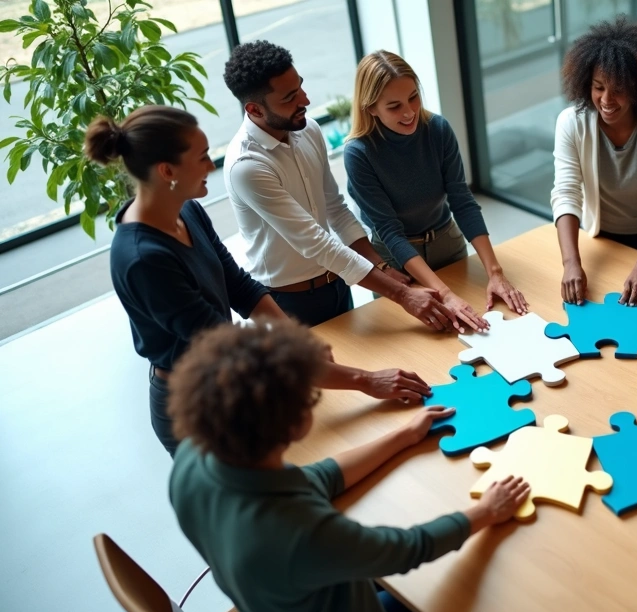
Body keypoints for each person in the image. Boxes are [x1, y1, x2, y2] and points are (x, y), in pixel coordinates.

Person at [88, 105, 433, 457]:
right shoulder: (144, 259)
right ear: (167, 171)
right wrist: (366, 380)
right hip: (192, 407)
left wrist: (297, 338)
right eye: (203, 158)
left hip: (223, 380)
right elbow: (224, 344)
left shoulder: (187, 211)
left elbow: (239, 285)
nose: (212, 166)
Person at [167, 320, 530, 612]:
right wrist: (485, 510)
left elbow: (317, 478)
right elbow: (408, 549)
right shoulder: (297, 533)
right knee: (426, 592)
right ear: (297, 425)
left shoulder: (191, 460)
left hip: (275, 609)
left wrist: (404, 436)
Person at [222, 40, 461, 330]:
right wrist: (403, 295)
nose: (306, 101)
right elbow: (315, 242)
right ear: (255, 109)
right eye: (289, 98)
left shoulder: (307, 129)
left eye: (300, 86)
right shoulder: (246, 167)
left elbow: (335, 208)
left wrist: (382, 267)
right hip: (287, 302)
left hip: (337, 284)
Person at [345, 50, 527, 331]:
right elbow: (390, 231)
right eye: (394, 106)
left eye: (413, 97)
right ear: (371, 108)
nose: (409, 112)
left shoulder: (438, 129)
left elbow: (462, 201)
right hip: (396, 261)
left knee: (475, 324)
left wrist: (495, 272)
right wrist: (445, 294)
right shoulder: (359, 154)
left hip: (447, 242)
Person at [551, 18, 637, 306]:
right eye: (598, 87)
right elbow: (566, 193)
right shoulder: (571, 123)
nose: (606, 99)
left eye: (619, 89)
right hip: (600, 239)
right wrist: (571, 263)